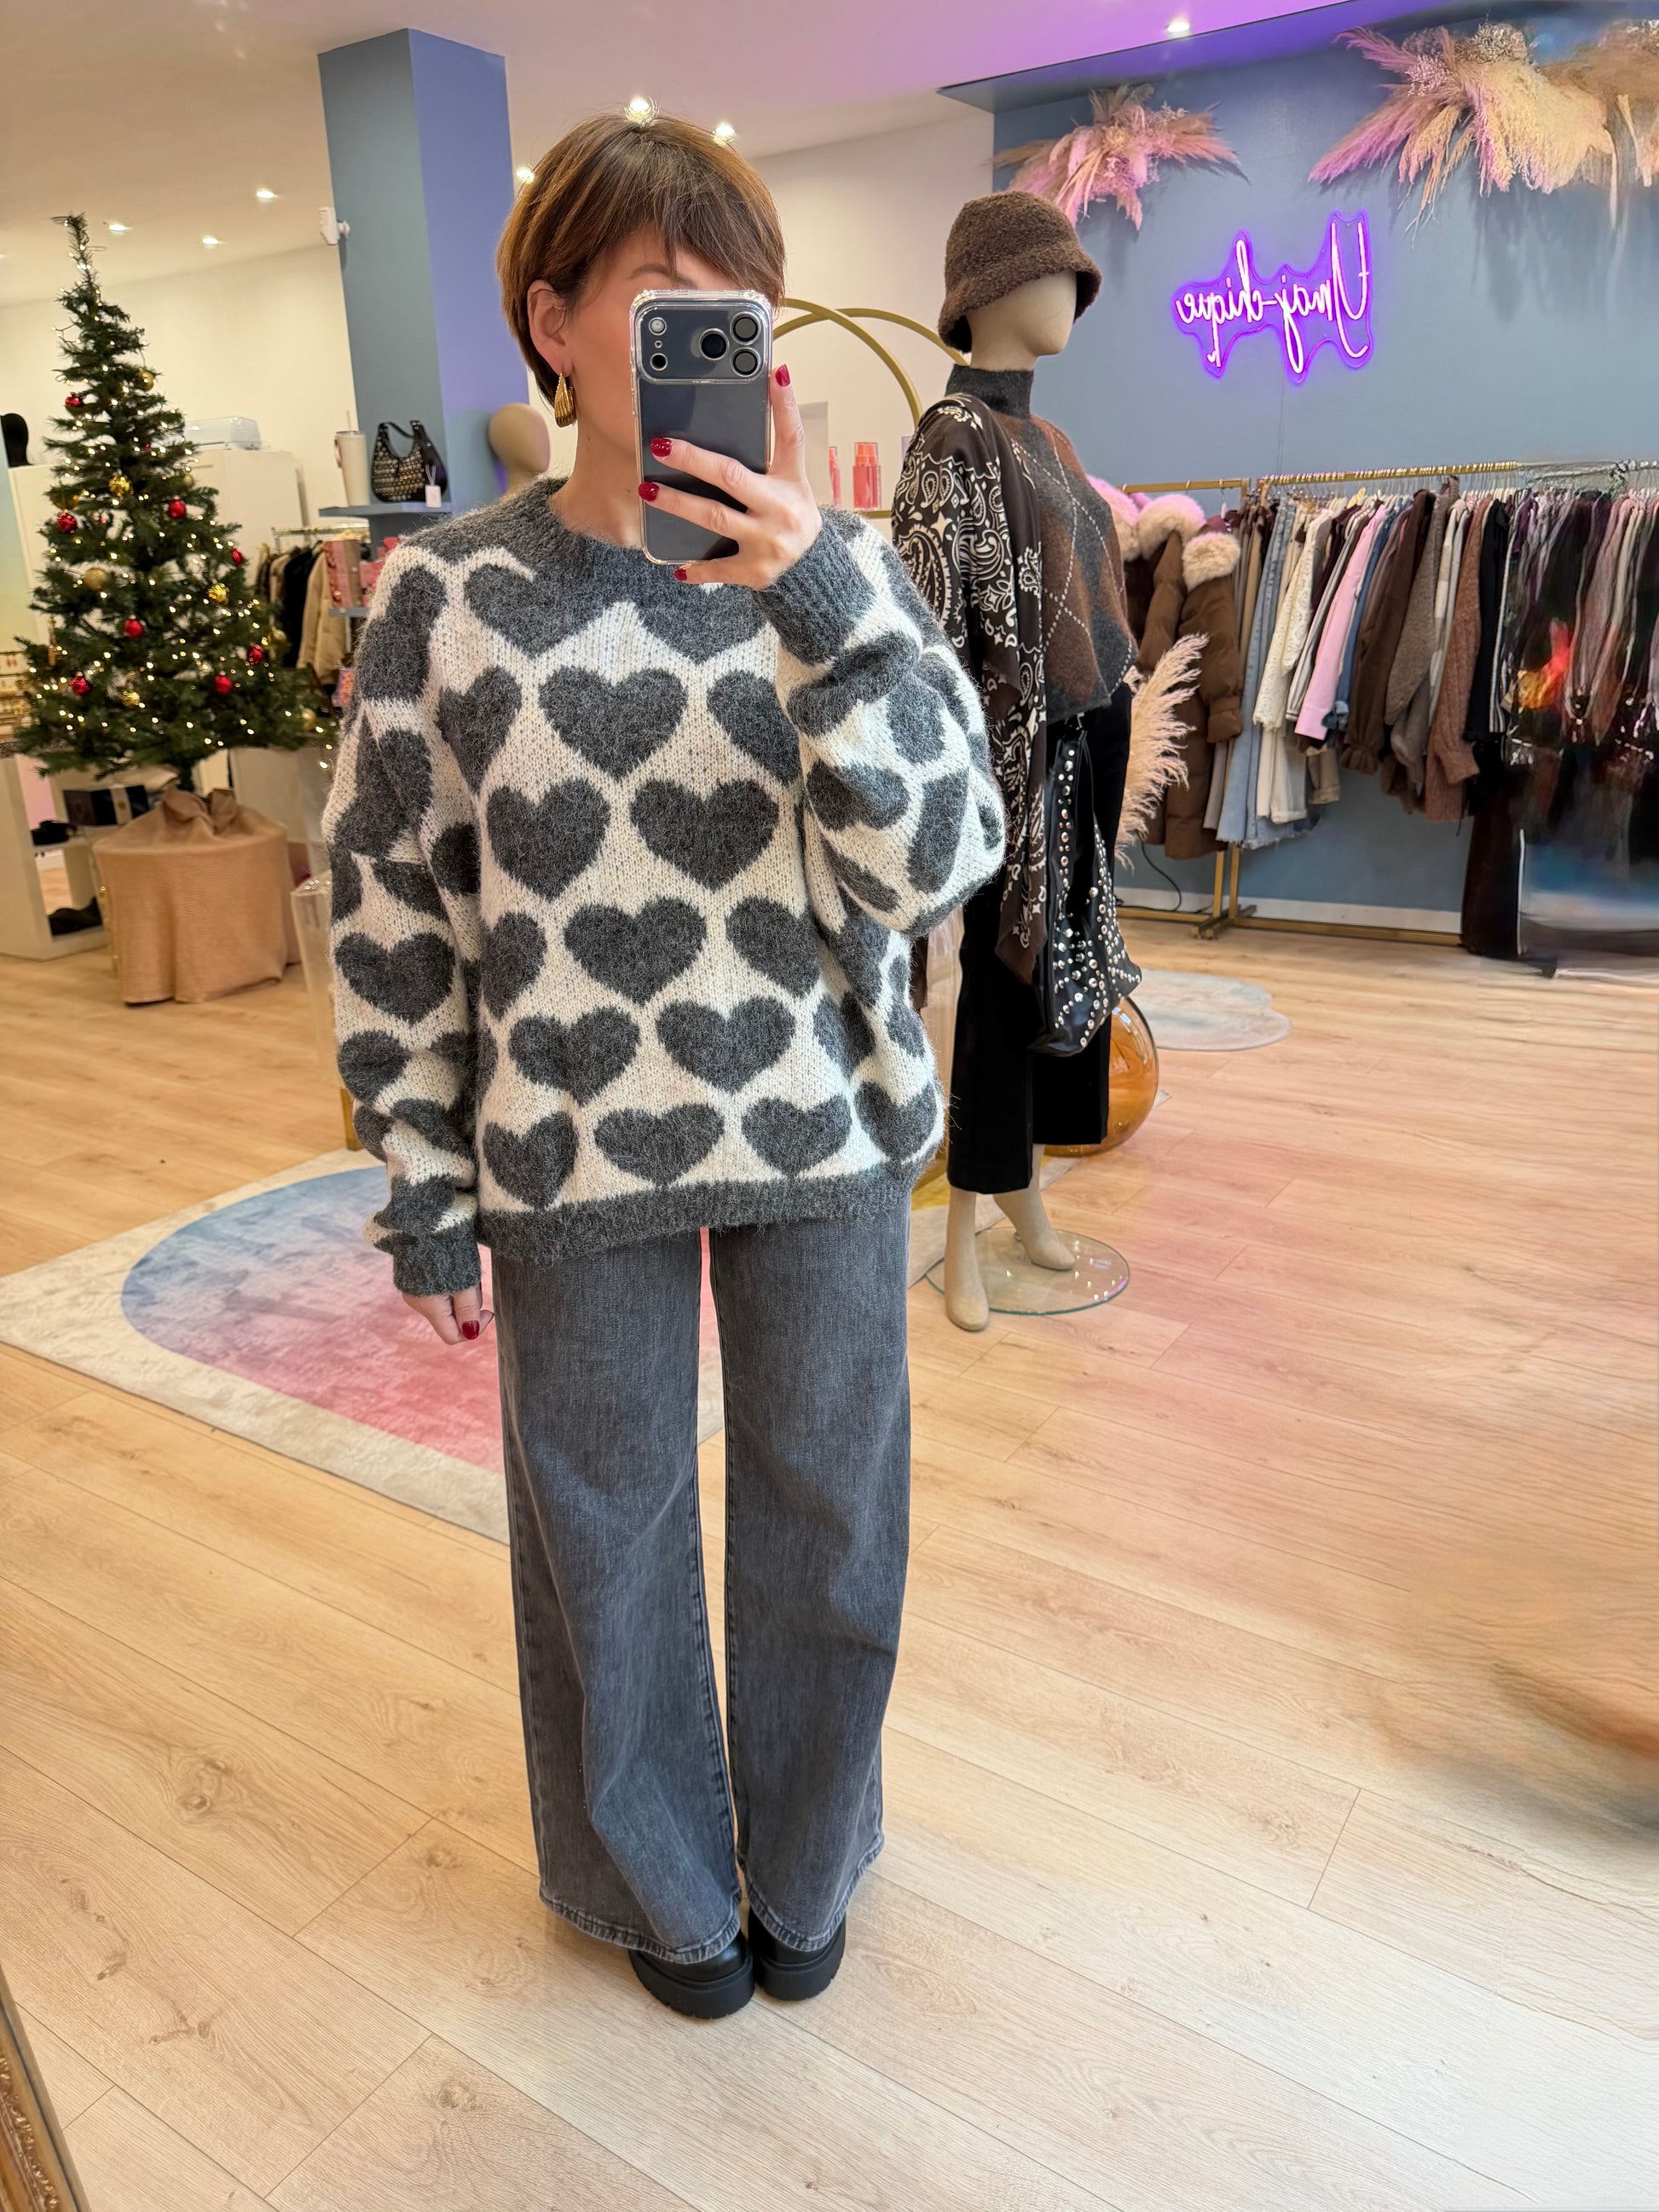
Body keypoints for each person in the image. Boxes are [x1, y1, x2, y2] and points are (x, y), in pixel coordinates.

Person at [323, 109, 1003, 2019]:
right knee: (602, 1539)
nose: (711, 338)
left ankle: (805, 1862)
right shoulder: (444, 595)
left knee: (829, 1517)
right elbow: (386, 901)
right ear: (552, 323)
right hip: (567, 1144)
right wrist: (419, 1182)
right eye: (658, 301)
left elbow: (943, 860)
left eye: (739, 307)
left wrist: (823, 614)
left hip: (820, 1122)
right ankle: (666, 1892)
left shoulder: (845, 569)